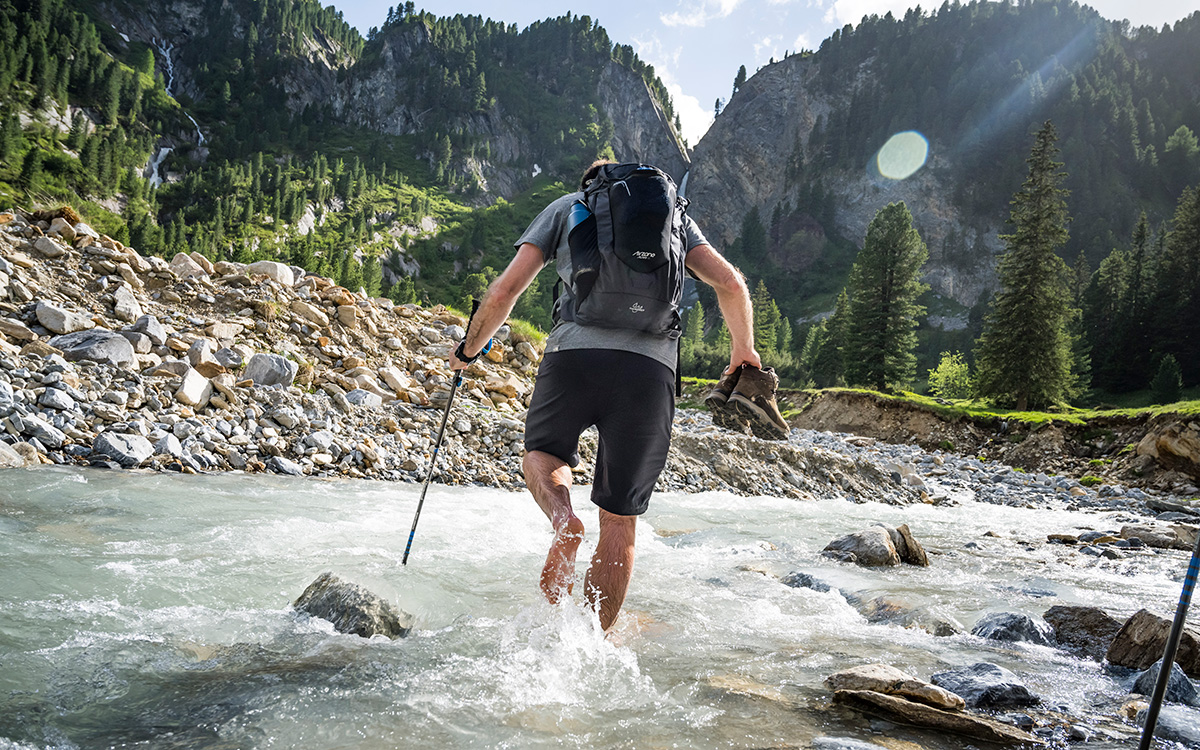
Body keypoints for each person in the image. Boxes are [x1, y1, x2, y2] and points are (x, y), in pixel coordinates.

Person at [448, 159, 786, 631]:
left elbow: (506, 290)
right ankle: (592, 643)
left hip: (574, 358)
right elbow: (730, 283)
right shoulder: (675, 221)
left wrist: (469, 350)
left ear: (593, 184)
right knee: (620, 518)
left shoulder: (569, 207)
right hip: (649, 373)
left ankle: (563, 519)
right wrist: (743, 351)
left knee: (543, 455)